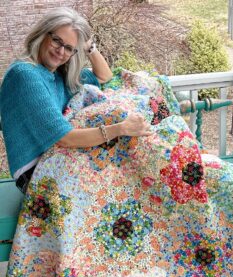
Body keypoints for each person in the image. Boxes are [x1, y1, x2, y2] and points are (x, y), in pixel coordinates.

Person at [0, 7, 152, 194]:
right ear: (42, 34)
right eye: (57, 41)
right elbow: (65, 138)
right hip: (35, 172)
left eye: (69, 48)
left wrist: (88, 46)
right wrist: (120, 128)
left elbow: (105, 76)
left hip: (57, 159)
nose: (61, 51)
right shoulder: (25, 75)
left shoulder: (56, 75)